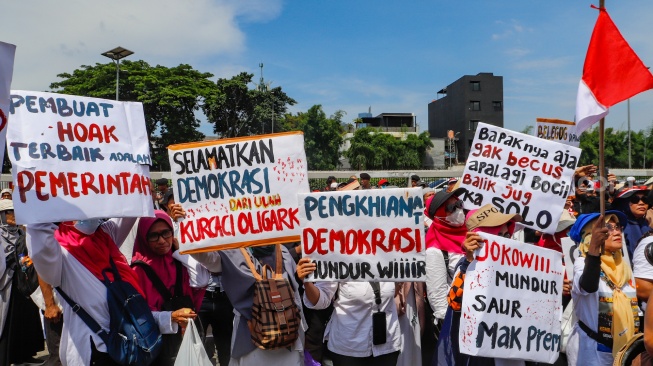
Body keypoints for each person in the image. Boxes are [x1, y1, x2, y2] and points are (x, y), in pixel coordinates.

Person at [27, 217, 195, 365]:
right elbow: (39, 241)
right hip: (93, 351)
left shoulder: (105, 236)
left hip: (130, 347)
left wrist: (169, 317)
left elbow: (129, 207)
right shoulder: (59, 254)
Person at [433, 203, 523, 366]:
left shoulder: (518, 268)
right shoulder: (465, 266)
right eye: (497, 234)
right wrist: (469, 262)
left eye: (506, 235)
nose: (503, 240)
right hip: (478, 355)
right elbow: (455, 302)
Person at [191, 245, 306, 365]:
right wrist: (191, 239)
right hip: (251, 339)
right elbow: (208, 259)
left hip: (287, 336)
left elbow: (295, 297)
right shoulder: (232, 252)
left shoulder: (280, 249)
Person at [131, 210, 210, 365]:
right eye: (154, 236)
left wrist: (181, 251)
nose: (161, 241)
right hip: (157, 346)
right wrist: (171, 317)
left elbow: (201, 280)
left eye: (166, 233)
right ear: (143, 238)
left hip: (186, 338)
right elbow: (138, 315)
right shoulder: (138, 269)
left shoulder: (178, 260)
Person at [566, 211, 641, 365]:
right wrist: (594, 248)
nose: (617, 232)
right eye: (608, 227)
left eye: (618, 227)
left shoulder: (625, 268)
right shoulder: (583, 262)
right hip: (592, 353)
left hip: (624, 352)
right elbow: (588, 285)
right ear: (590, 236)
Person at [298, 261, 402, 366]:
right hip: (349, 347)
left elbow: (394, 289)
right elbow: (321, 301)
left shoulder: (389, 254)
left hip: (387, 344)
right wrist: (306, 282)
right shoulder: (337, 258)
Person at [0, 199, 44, 365]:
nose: (13, 214)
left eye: (14, 210)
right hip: (8, 284)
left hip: (24, 283)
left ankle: (24, 355)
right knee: (9, 321)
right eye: (9, 211)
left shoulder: (21, 233)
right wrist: (12, 261)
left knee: (26, 319)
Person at [424, 188, 468, 324]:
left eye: (459, 204)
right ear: (439, 214)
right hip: (458, 320)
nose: (458, 210)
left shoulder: (471, 233)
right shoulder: (434, 251)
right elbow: (437, 298)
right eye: (451, 207)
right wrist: (451, 324)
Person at [612, 186, 650, 261]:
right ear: (625, 204)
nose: (641, 203)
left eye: (645, 199)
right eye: (635, 200)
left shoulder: (647, 225)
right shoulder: (620, 227)